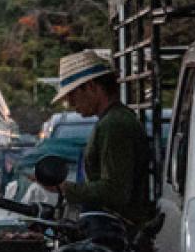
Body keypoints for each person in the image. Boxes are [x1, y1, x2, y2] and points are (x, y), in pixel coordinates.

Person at [41, 49, 155, 226]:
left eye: (72, 95)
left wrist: (64, 188)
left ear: (91, 87)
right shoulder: (113, 120)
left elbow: (115, 191)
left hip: (119, 228)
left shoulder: (114, 124)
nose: (71, 103)